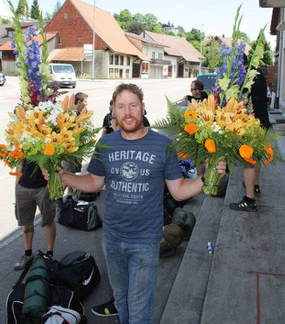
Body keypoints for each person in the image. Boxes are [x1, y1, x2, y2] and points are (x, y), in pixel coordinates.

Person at [45, 83, 226, 324]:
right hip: (112, 238)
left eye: (133, 105)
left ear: (143, 108)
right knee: (121, 300)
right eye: (121, 106)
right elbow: (94, 182)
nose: (127, 112)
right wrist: (65, 177)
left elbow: (179, 190)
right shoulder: (106, 144)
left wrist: (207, 178)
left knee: (139, 310)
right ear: (114, 111)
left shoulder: (162, 145)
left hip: (144, 240)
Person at [230, 54, 271, 212]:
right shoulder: (258, 73)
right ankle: (254, 185)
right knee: (257, 157)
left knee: (248, 160)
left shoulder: (244, 79)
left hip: (251, 125)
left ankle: (249, 199)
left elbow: (241, 103)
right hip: (263, 123)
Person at [14, 160, 56, 270]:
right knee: (27, 222)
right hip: (23, 187)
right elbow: (20, 162)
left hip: (43, 187)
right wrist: (17, 184)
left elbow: (56, 162)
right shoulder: (22, 142)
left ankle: (49, 255)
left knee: (48, 220)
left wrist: (50, 185)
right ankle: (28, 254)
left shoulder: (48, 142)